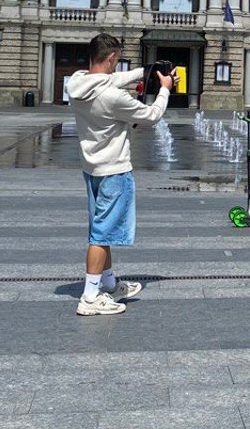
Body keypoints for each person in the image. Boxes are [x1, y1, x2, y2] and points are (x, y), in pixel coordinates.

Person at [67, 33, 171, 316]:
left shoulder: (76, 83)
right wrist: (165, 88)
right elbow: (151, 116)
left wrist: (147, 70)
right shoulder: (112, 98)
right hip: (114, 170)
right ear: (112, 58)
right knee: (101, 234)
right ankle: (90, 297)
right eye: (116, 61)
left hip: (92, 167)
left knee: (103, 228)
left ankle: (109, 284)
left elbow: (109, 80)